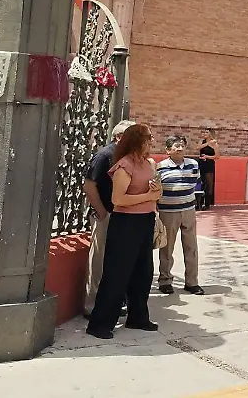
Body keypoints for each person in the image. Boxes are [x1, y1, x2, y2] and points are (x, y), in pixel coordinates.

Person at [87, 123, 163, 340]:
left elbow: (153, 190)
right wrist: (149, 197)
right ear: (136, 140)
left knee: (143, 272)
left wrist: (156, 192)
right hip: (126, 224)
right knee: (117, 274)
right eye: (148, 137)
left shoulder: (149, 163)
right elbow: (118, 199)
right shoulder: (124, 165)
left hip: (145, 221)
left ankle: (138, 317)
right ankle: (100, 323)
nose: (151, 141)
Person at [83, 119, 135, 318]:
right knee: (98, 262)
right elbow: (89, 185)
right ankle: (92, 305)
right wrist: (102, 212)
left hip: (123, 216)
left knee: (117, 261)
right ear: (119, 136)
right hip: (107, 215)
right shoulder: (105, 155)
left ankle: (112, 302)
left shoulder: (129, 157)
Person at [156, 135, 204, 295]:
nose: (180, 148)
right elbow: (157, 188)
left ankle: (192, 282)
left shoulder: (193, 164)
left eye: (182, 145)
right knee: (166, 247)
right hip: (168, 212)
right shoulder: (160, 167)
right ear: (168, 150)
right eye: (176, 146)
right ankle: (165, 280)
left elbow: (195, 182)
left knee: (191, 247)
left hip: (188, 210)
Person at [197, 130, 217, 210]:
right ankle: (199, 203)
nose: (204, 134)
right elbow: (198, 147)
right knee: (201, 183)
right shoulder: (202, 142)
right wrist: (209, 143)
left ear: (210, 134)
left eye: (206, 132)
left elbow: (217, 156)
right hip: (201, 164)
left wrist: (207, 157)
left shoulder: (215, 144)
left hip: (209, 165)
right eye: (203, 132)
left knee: (209, 184)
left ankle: (207, 204)